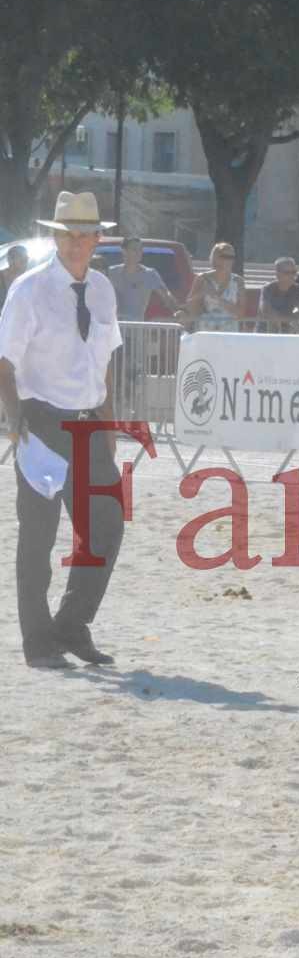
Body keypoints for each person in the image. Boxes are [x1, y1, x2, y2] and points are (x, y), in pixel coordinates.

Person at [0, 192, 125, 669]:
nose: (76, 244)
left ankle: (72, 624)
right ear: (56, 237)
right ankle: (38, 642)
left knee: (106, 529)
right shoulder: (29, 290)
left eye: (85, 235)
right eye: (68, 235)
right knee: (39, 536)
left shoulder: (103, 290)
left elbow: (106, 362)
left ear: (97, 239)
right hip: (43, 424)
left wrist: (109, 422)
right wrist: (17, 426)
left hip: (91, 427)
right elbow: (4, 363)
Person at [106, 236, 179, 322]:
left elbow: (166, 294)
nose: (139, 253)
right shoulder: (111, 272)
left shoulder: (149, 274)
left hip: (137, 328)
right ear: (124, 251)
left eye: (140, 249)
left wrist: (177, 311)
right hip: (114, 327)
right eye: (134, 249)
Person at [184, 242, 243, 330]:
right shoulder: (202, 278)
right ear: (215, 258)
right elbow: (189, 306)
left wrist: (217, 298)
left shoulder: (238, 281)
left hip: (229, 331)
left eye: (231, 257)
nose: (229, 260)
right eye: (225, 257)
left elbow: (240, 313)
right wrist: (202, 293)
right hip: (206, 329)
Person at [258, 257, 299, 326]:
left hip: (285, 331)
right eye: (287, 273)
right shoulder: (268, 288)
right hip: (265, 332)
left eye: (294, 272)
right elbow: (266, 311)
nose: (292, 276)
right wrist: (290, 318)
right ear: (277, 274)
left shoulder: (296, 290)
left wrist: (289, 318)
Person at [2, 244, 35, 311]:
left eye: (26, 259)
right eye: (22, 259)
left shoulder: (28, 281)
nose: (26, 262)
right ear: (11, 260)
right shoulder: (2, 278)